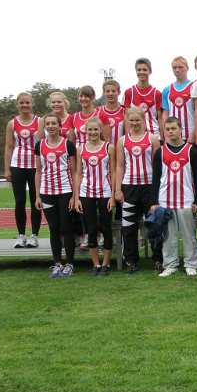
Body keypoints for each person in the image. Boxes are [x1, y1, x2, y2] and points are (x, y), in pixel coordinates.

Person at [150, 116, 197, 276]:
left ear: (180, 130)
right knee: (168, 236)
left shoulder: (191, 151)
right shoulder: (160, 152)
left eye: (173, 128)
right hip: (165, 200)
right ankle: (170, 264)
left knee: (189, 235)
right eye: (167, 129)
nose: (171, 131)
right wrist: (154, 202)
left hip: (186, 199)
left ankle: (191, 264)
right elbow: (155, 178)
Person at [114, 107, 162, 273]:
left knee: (154, 225)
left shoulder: (153, 139)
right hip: (129, 188)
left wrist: (157, 190)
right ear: (127, 121)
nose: (134, 123)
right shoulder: (122, 140)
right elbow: (119, 166)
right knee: (129, 227)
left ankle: (158, 259)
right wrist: (118, 189)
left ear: (144, 120)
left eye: (137, 120)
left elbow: (158, 167)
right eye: (131, 120)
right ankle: (131, 261)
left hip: (149, 188)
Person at [34, 113, 77, 277]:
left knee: (66, 228)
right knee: (53, 229)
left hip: (65, 191)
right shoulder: (39, 145)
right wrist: (38, 196)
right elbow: (38, 172)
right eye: (48, 124)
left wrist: (74, 196)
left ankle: (70, 264)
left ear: (60, 126)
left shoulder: (68, 145)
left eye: (54, 123)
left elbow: (74, 172)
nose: (51, 126)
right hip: (46, 192)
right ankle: (57, 263)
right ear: (45, 126)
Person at [73, 117, 114, 275]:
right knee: (91, 229)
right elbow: (78, 173)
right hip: (86, 193)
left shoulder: (109, 147)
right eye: (90, 129)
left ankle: (106, 264)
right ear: (85, 131)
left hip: (105, 192)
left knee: (106, 228)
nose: (93, 132)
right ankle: (96, 264)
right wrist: (77, 197)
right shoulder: (80, 148)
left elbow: (113, 172)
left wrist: (112, 196)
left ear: (100, 130)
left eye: (95, 129)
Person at [4, 92, 43, 248]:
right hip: (17, 165)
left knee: (36, 200)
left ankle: (34, 235)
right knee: (19, 201)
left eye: (27, 102)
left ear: (32, 103)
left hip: (35, 166)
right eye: (22, 103)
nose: (25, 105)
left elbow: (43, 145)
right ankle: (21, 235)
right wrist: (7, 169)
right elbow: (8, 147)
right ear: (17, 105)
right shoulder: (12, 123)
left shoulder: (39, 121)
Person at [123, 58, 162, 138]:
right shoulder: (129, 92)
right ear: (136, 71)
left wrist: (162, 137)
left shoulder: (157, 93)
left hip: (154, 135)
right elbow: (126, 117)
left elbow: (160, 118)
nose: (141, 72)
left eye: (144, 70)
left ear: (150, 71)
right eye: (139, 70)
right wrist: (128, 136)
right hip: (134, 136)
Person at [162, 57, 195, 145]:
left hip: (190, 136)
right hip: (173, 137)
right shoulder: (167, 90)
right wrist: (166, 135)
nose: (177, 70)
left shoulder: (194, 87)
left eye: (180, 67)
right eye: (174, 68)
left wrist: (194, 133)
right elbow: (165, 114)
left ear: (187, 68)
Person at [98, 80, 126, 147]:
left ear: (119, 92)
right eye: (107, 91)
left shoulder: (125, 111)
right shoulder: (97, 112)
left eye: (113, 91)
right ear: (104, 93)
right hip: (103, 151)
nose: (110, 93)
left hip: (121, 150)